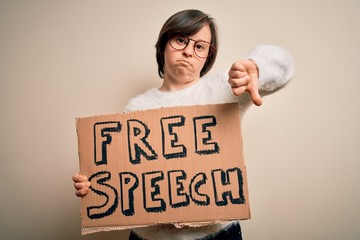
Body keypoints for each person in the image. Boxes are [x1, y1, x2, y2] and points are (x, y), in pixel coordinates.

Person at [73, 9, 294, 240]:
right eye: (180, 40)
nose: (188, 51)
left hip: (216, 237)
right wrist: (94, 186)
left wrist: (256, 67)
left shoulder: (224, 89)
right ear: (163, 44)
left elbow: (284, 64)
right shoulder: (135, 108)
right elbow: (123, 179)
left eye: (199, 47)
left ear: (208, 55)